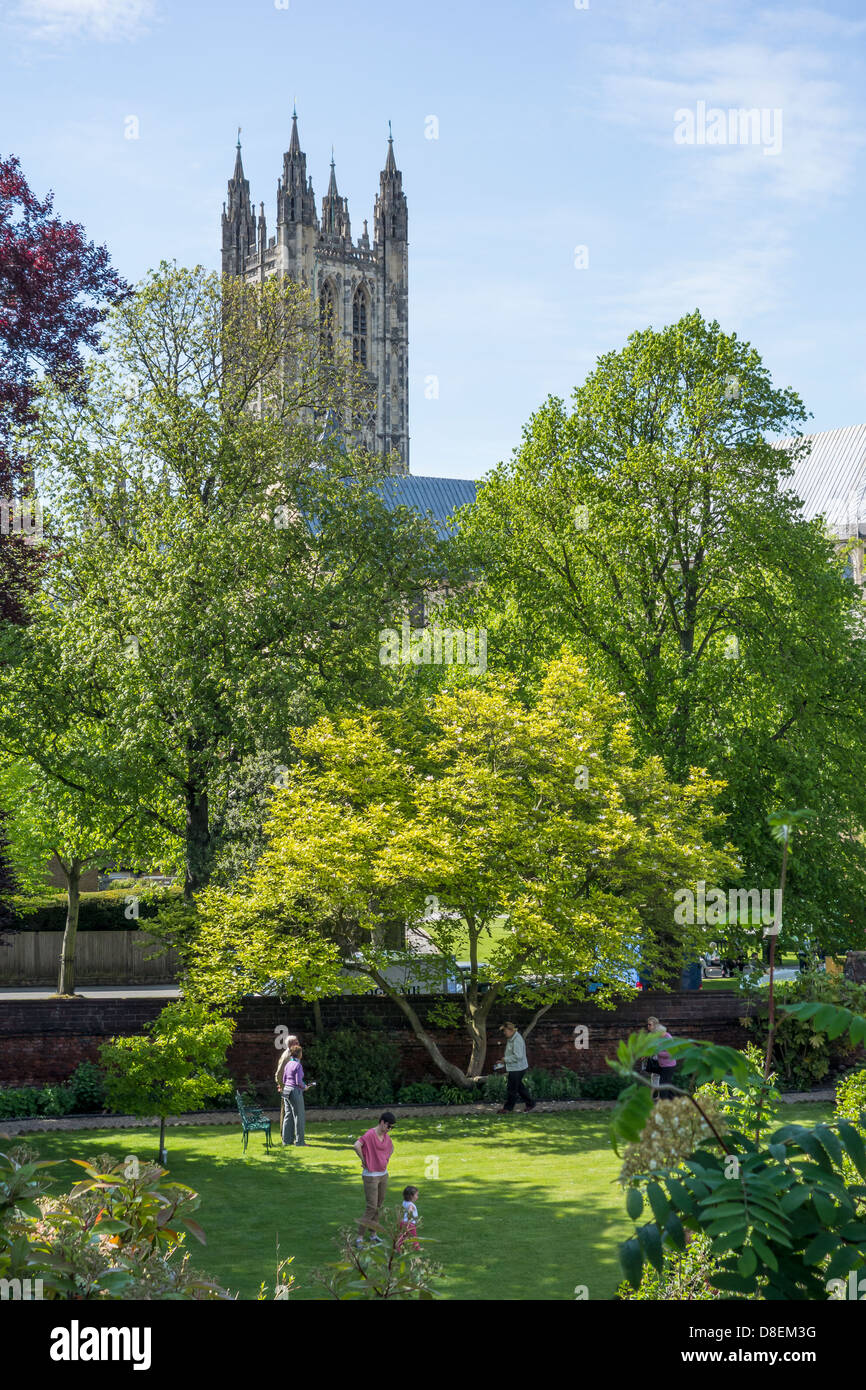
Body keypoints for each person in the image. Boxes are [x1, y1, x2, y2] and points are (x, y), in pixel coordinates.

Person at [353, 1112, 396, 1244]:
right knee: (371, 1207)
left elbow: (391, 1148)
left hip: (383, 1175)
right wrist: (364, 1159)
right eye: (389, 1126)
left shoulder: (386, 1137)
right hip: (371, 1176)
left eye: (391, 1128)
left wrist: (385, 1159)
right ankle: (359, 1237)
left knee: (378, 1206)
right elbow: (356, 1145)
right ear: (382, 1122)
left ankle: (373, 1235)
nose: (389, 1129)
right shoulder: (370, 1134)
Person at [494, 1021, 535, 1114]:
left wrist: (505, 1060)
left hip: (518, 1068)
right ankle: (531, 1103)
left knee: (512, 1089)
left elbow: (518, 1056)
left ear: (511, 1030)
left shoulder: (517, 1040)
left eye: (505, 1031)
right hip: (515, 1068)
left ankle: (507, 1108)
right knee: (519, 1088)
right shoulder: (512, 1038)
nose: (504, 1033)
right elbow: (511, 1055)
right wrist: (503, 1061)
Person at [281, 1044, 311, 1146]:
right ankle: (300, 1141)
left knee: (288, 1115)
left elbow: (284, 1079)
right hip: (294, 1091)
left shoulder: (288, 1064)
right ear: (299, 1054)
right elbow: (298, 1081)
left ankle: (286, 1141)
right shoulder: (298, 1065)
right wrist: (305, 1087)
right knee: (299, 1116)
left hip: (286, 1090)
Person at [275, 1034, 299, 1136]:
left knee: (287, 1112)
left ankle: (287, 1134)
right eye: (296, 1043)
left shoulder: (291, 1054)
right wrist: (283, 1085)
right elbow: (279, 1073)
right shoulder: (287, 1056)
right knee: (287, 1113)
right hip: (288, 1088)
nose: (298, 1044)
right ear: (290, 1045)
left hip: (289, 1087)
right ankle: (286, 1135)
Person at [647, 1016, 677, 1098]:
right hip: (663, 1066)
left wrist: (657, 1052)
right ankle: (676, 1102)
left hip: (669, 1066)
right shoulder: (661, 1038)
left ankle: (664, 1105)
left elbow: (670, 1053)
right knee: (668, 1086)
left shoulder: (667, 1038)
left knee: (663, 1086)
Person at [397, 1185, 420, 1252]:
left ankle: (398, 1248)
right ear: (411, 1196)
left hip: (402, 1222)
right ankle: (417, 1249)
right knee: (413, 1237)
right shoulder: (411, 1205)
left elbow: (401, 1211)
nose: (417, 1197)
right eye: (416, 1195)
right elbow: (410, 1211)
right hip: (409, 1224)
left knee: (401, 1237)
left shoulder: (404, 1202)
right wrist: (410, 1218)